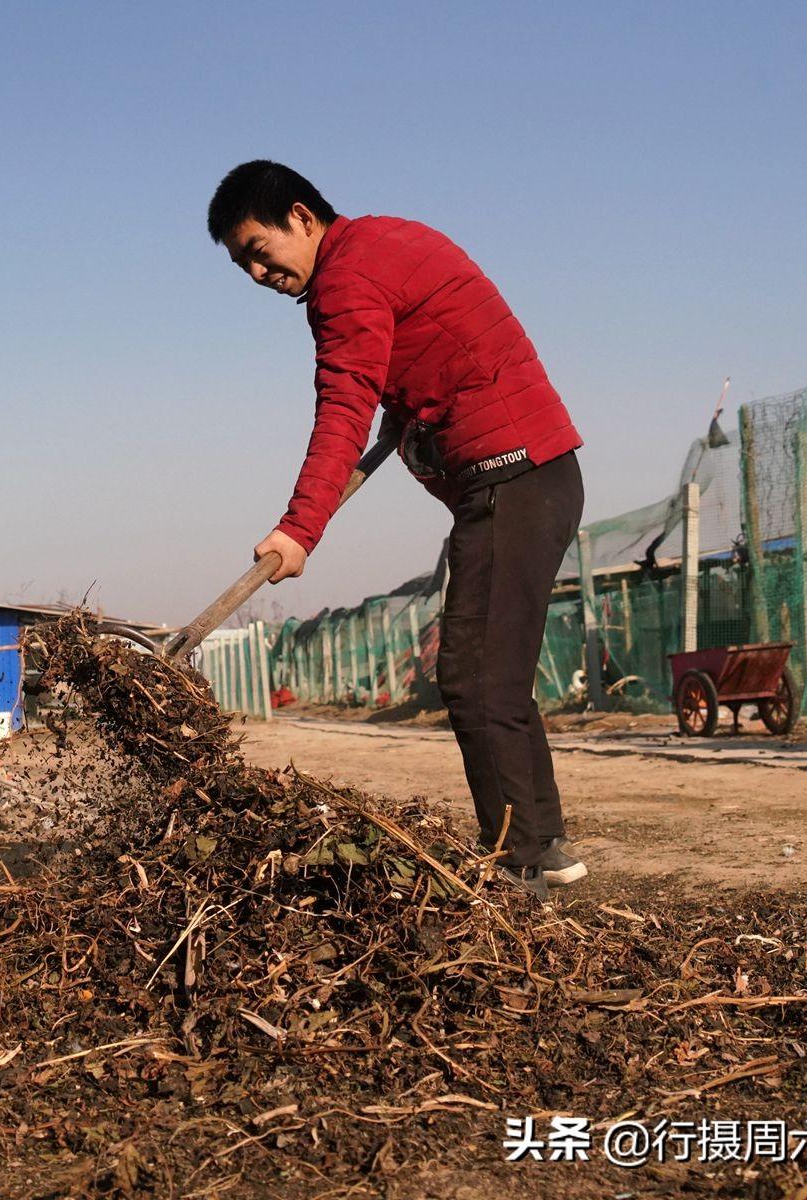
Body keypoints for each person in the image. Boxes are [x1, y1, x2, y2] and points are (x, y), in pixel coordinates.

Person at [207, 160, 588, 900]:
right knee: (493, 677)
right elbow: (432, 352)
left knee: (475, 676)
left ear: (302, 218)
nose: (257, 273)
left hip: (513, 477)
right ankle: (544, 847)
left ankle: (524, 860)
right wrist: (405, 410)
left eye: (260, 248)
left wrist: (299, 528)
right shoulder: (385, 242)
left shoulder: (347, 281)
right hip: (532, 473)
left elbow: (342, 403)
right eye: (241, 263)